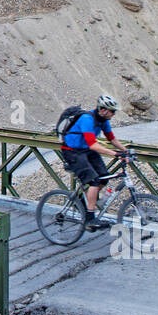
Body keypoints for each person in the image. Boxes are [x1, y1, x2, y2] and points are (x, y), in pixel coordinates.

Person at [60, 94, 132, 229]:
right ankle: (90, 219)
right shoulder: (87, 119)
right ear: (103, 110)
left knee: (104, 177)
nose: (114, 114)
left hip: (85, 150)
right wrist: (115, 154)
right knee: (94, 180)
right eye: (112, 111)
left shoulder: (104, 121)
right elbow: (93, 145)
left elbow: (112, 139)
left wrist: (126, 151)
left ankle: (84, 201)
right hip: (72, 151)